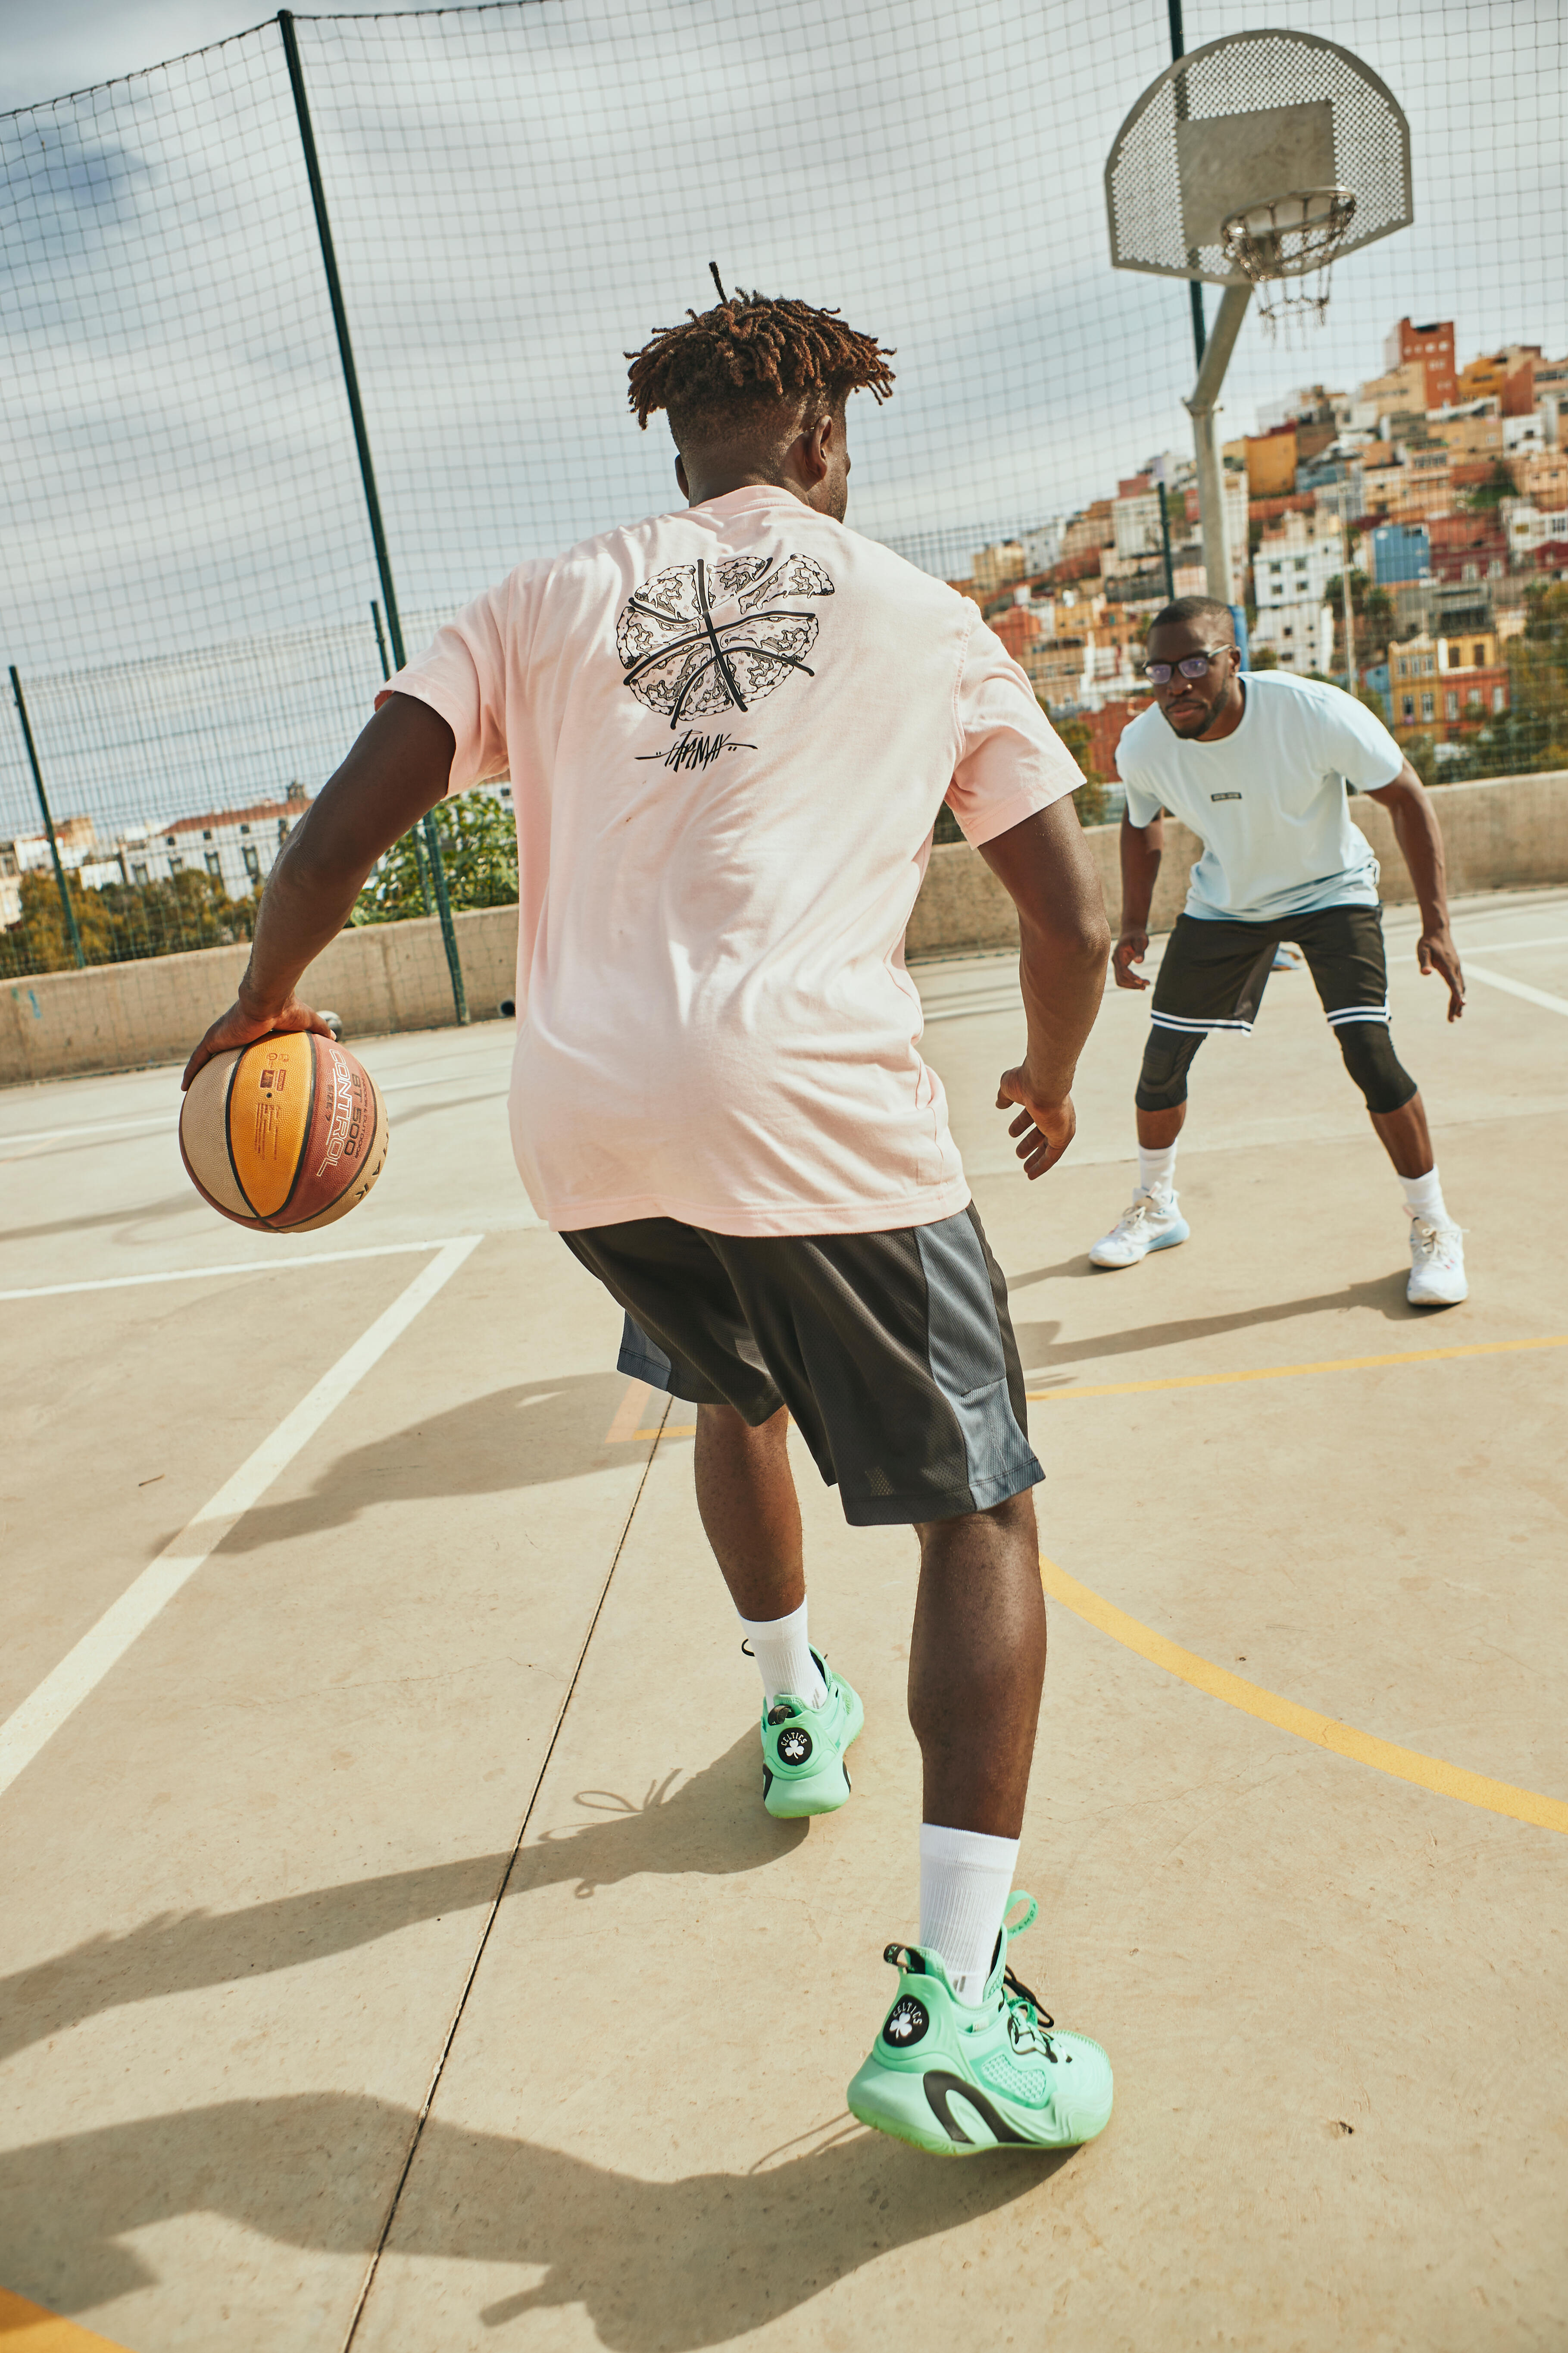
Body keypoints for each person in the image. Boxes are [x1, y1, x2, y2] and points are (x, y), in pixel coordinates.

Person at [182, 285, 1116, 2156]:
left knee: (728, 1396)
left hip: (581, 1122)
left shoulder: (537, 597)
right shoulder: (932, 621)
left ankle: (792, 1709)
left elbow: (340, 830)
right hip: (812, 1106)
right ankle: (956, 1993)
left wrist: (260, 1004)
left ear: (672, 437)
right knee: (980, 1504)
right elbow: (1072, 916)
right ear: (829, 436)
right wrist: (1050, 1068)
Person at [1090, 597, 1467, 1308]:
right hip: (1228, 901)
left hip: (1332, 889)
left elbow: (1406, 797)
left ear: (1234, 660)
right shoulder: (1143, 744)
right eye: (1160, 669)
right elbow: (1142, 825)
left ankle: (1434, 1226)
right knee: (1161, 1059)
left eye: (1195, 662)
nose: (1177, 683)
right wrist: (1133, 923)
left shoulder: (1311, 712)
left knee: (1367, 1049)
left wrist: (1436, 923)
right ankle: (1157, 1205)